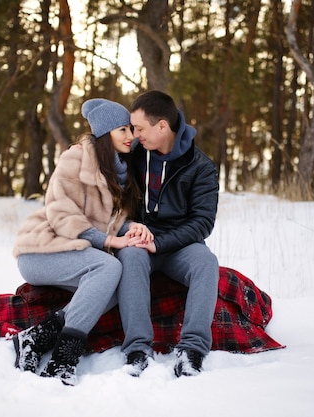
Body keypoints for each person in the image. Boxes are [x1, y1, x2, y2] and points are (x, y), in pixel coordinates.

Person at [11, 98, 153, 385]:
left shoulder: (119, 170)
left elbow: (106, 219)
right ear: (104, 133)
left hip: (78, 255)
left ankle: (36, 338)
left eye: (131, 130)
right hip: (43, 249)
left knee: (115, 285)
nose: (131, 136)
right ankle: (64, 359)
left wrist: (131, 226)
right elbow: (60, 211)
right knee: (109, 269)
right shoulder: (75, 158)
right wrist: (110, 240)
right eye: (122, 130)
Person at [116, 90, 220, 377]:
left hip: (180, 244)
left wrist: (160, 243)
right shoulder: (134, 155)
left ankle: (192, 350)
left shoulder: (201, 167)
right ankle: (138, 349)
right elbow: (110, 198)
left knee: (206, 263)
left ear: (162, 125)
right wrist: (131, 231)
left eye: (139, 128)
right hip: (138, 238)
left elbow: (202, 222)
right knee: (132, 258)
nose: (134, 134)